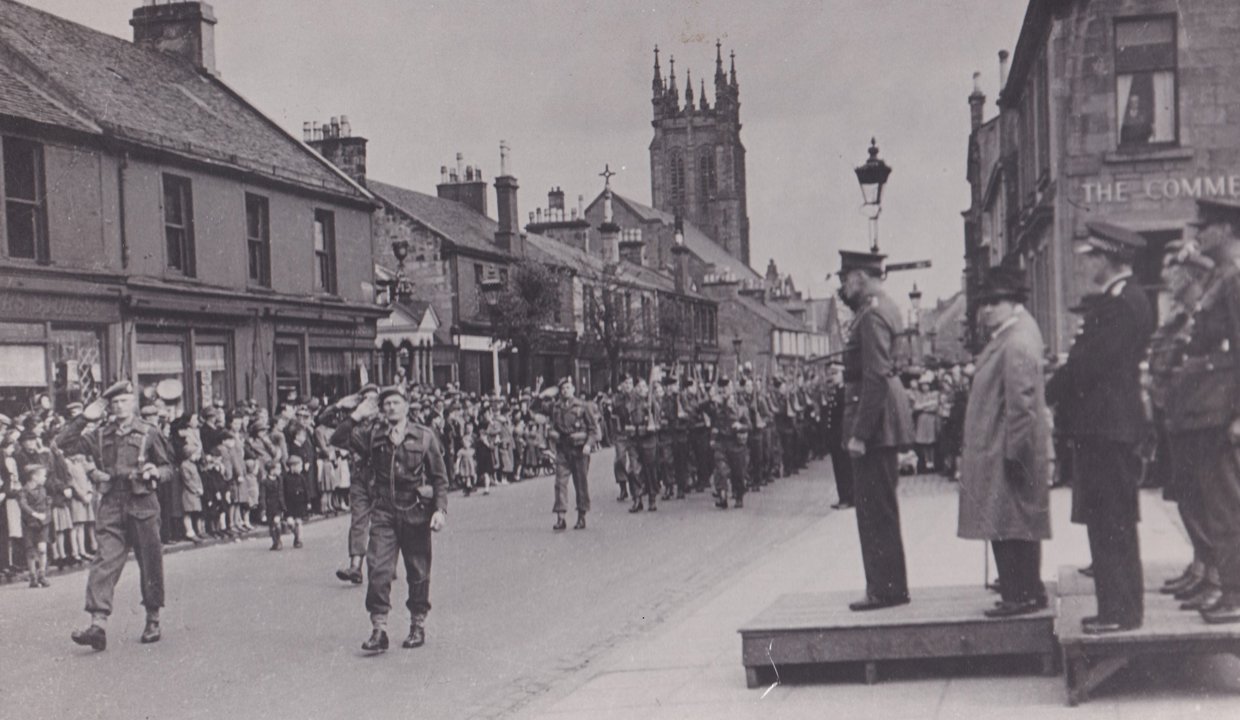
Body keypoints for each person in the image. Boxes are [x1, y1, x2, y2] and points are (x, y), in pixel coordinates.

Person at [1046, 222, 1154, 634]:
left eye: (1092, 256)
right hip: (1106, 428)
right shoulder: (1121, 300)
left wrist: (1050, 391)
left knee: (1111, 522)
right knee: (1108, 520)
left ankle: (1121, 611)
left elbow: (1089, 365)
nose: (1087, 263)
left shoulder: (1122, 303)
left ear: (1108, 258)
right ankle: (1116, 607)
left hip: (1108, 428)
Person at [957, 265, 1051, 617]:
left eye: (994, 302)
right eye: (984, 303)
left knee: (1010, 523)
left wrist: (1016, 453)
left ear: (1014, 303)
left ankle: (1020, 595)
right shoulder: (1012, 335)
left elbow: (1022, 404)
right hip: (1003, 446)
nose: (986, 310)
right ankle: (1024, 589)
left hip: (1007, 449)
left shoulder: (1016, 341)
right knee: (1010, 522)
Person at [1161, 207, 1240, 623]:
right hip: (1205, 405)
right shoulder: (1219, 275)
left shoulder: (1234, 277)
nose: (1200, 234)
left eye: (1206, 228)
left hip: (1219, 406)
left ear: (1226, 229)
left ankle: (1235, 593)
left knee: (1226, 504)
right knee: (1213, 502)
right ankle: (1223, 585)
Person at [57, 380, 176, 650]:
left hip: (142, 502)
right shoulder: (99, 434)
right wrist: (85, 417)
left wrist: (156, 473)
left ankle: (153, 618)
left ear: (132, 403)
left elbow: (169, 466)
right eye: (113, 403)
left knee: (150, 562)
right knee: (104, 562)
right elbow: (63, 443)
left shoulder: (149, 432)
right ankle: (98, 624)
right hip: (112, 502)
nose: (118, 406)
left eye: (123, 401)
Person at [332, 385, 448, 653]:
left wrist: (440, 510)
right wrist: (357, 415)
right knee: (378, 570)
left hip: (416, 510)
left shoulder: (424, 436)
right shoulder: (373, 435)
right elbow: (338, 438)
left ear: (406, 406)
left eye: (396, 403)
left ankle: (417, 624)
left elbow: (440, 478)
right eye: (386, 404)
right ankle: (379, 629)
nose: (391, 408)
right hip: (384, 510)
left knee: (418, 571)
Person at [836, 250, 915, 611]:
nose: (842, 286)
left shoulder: (871, 314)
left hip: (876, 424)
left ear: (860, 277)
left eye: (845, 278)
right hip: (882, 420)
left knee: (873, 508)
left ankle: (886, 588)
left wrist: (860, 433)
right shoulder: (883, 306)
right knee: (879, 506)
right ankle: (888, 585)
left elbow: (875, 375)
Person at [326, 383, 378, 585]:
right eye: (365, 399)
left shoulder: (385, 421)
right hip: (360, 477)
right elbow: (334, 436)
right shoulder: (353, 423)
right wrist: (341, 407)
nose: (369, 404)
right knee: (359, 521)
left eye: (373, 400)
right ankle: (355, 566)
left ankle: (385, 561)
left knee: (386, 521)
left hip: (381, 477)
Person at [548, 376, 600, 530]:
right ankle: (561, 517)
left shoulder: (583, 406)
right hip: (563, 449)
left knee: (580, 483)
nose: (565, 391)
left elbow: (594, 430)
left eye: (568, 388)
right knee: (559, 484)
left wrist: (589, 444)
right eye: (563, 388)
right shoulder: (556, 407)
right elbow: (538, 412)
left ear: (574, 389)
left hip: (579, 449)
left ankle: (581, 516)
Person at [823, 362, 854, 509]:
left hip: (842, 436)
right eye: (832, 374)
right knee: (839, 467)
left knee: (844, 468)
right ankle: (844, 496)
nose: (833, 377)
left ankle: (847, 498)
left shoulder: (844, 392)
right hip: (836, 437)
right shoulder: (836, 392)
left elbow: (845, 418)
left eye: (836, 374)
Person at [18, 463, 52, 588]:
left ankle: (42, 575)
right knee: (31, 551)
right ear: (34, 477)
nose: (45, 478)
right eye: (43, 476)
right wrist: (35, 514)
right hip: (29, 524)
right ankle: (33, 577)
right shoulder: (23, 491)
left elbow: (48, 504)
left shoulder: (43, 489)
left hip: (43, 523)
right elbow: (23, 505)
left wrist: (46, 516)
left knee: (42, 549)